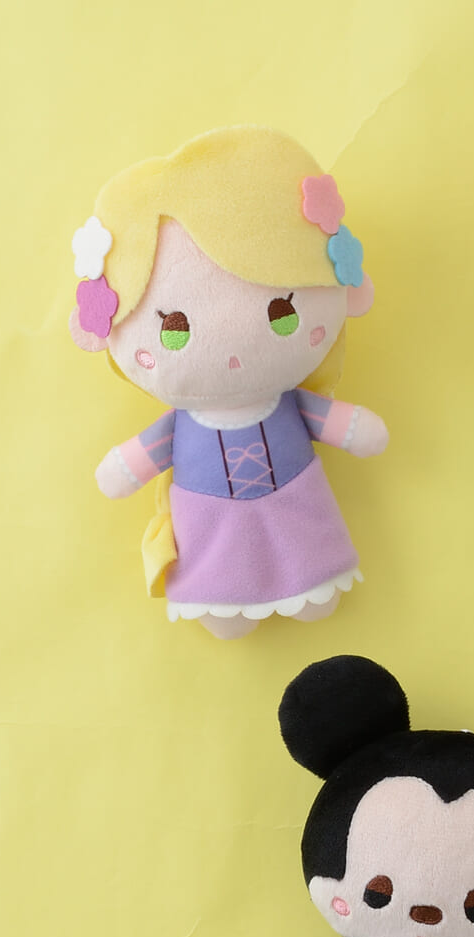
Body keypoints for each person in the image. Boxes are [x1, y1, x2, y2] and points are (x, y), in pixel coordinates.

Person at [69, 127, 387, 638]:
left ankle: (309, 579)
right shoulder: (183, 424)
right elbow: (143, 456)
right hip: (208, 515)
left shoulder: (291, 403)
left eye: (282, 312)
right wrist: (125, 467)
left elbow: (335, 423)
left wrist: (355, 429)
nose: (233, 348)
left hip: (296, 498)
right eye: (174, 330)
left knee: (306, 555)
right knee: (220, 582)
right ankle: (219, 593)